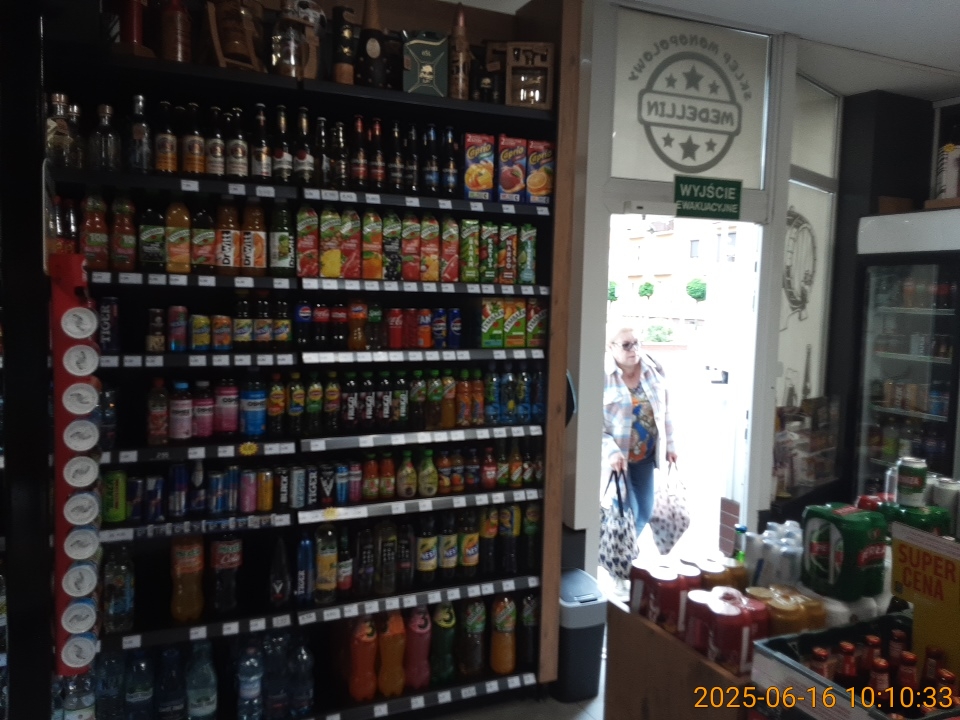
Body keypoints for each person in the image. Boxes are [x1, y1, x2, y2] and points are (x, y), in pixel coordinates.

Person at [602, 327, 677, 544]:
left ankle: (621, 553)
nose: (633, 349)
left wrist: (671, 446)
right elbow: (593, 424)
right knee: (627, 512)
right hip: (618, 460)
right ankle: (618, 556)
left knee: (644, 511)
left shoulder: (653, 369)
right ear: (611, 347)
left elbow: (664, 412)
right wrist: (611, 451)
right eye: (626, 345)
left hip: (645, 457)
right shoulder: (602, 376)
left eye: (636, 343)